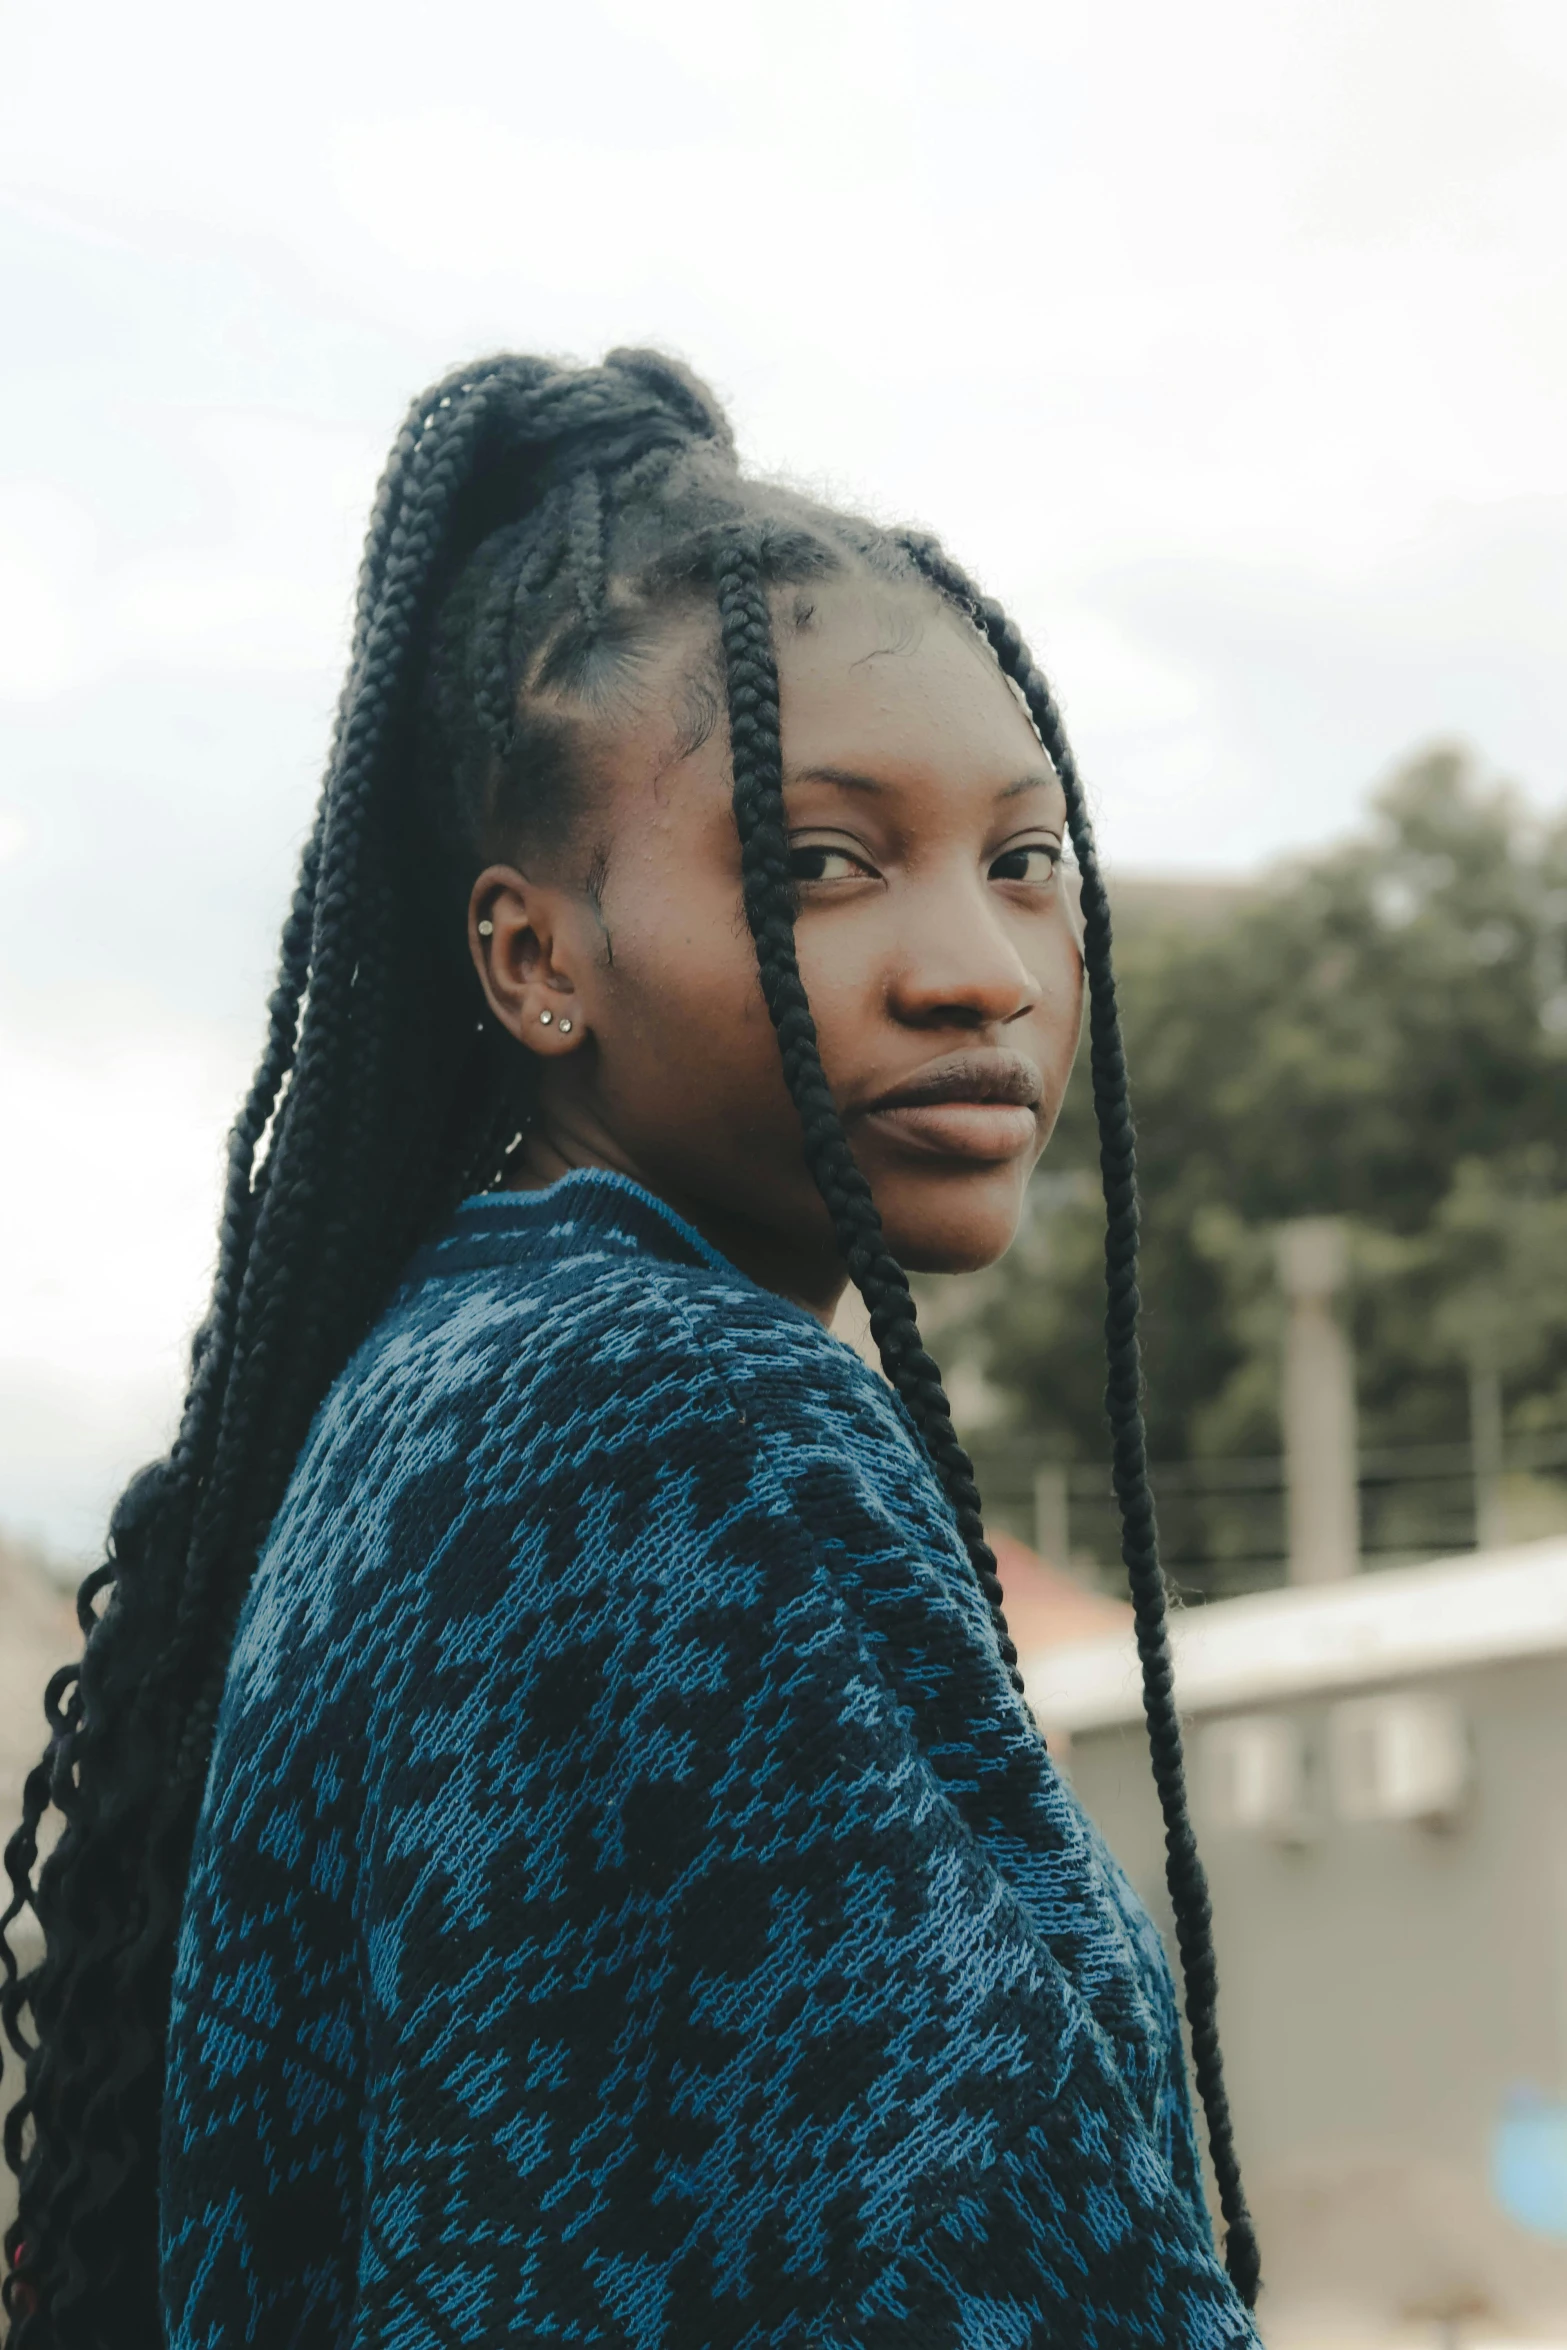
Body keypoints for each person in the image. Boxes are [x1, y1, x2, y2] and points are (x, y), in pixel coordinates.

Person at [1, 351, 1260, 2348]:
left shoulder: (459, 1375)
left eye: (1025, 860)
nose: (983, 967)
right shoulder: (672, 1428)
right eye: (823, 862)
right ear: (532, 953)